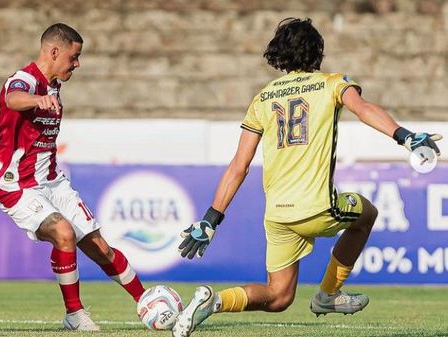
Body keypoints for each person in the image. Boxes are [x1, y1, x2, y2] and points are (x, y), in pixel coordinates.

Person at [172, 18, 442, 337]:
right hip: (316, 207)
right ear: (318, 51)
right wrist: (405, 136)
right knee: (366, 214)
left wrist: (211, 219)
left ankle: (214, 301)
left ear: (279, 54)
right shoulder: (332, 83)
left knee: (278, 296)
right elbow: (363, 108)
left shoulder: (263, 97)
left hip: (278, 215)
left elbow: (238, 166)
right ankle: (328, 295)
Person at [0, 23, 145, 331]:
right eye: (74, 57)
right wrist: (36, 100)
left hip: (52, 181)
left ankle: (148, 302)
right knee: (63, 232)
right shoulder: (24, 81)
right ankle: (74, 314)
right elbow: (12, 99)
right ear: (54, 52)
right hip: (17, 184)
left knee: (100, 247)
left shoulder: (55, 85)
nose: (77, 64)